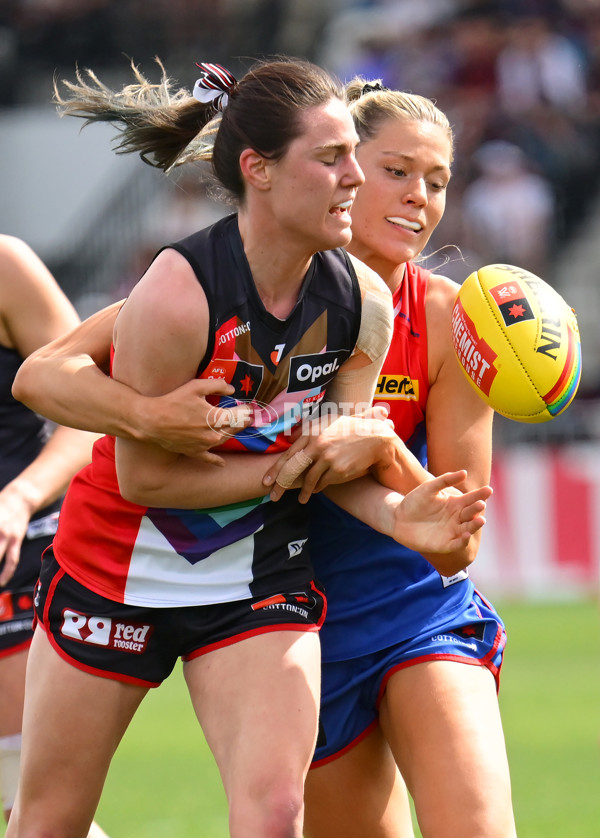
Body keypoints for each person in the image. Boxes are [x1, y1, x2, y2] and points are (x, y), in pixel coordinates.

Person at [7, 58, 492, 838]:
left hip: (255, 578)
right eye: (333, 159)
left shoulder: (361, 301)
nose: (354, 179)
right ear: (258, 170)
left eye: (355, 160)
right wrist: (166, 422)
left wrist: (403, 515)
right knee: (48, 824)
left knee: (273, 815)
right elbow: (146, 478)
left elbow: (336, 460)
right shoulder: (177, 291)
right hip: (115, 566)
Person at [267, 80, 517, 838]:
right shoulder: (264, 299)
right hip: (293, 632)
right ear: (341, 169)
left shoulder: (450, 317)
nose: (421, 198)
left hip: (418, 610)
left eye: (438, 182)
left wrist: (378, 444)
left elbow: (457, 537)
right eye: (399, 171)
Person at [0, 235, 109, 836]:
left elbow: (87, 411)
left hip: (15, 560)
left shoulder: (6, 265)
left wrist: (18, 496)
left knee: (37, 815)